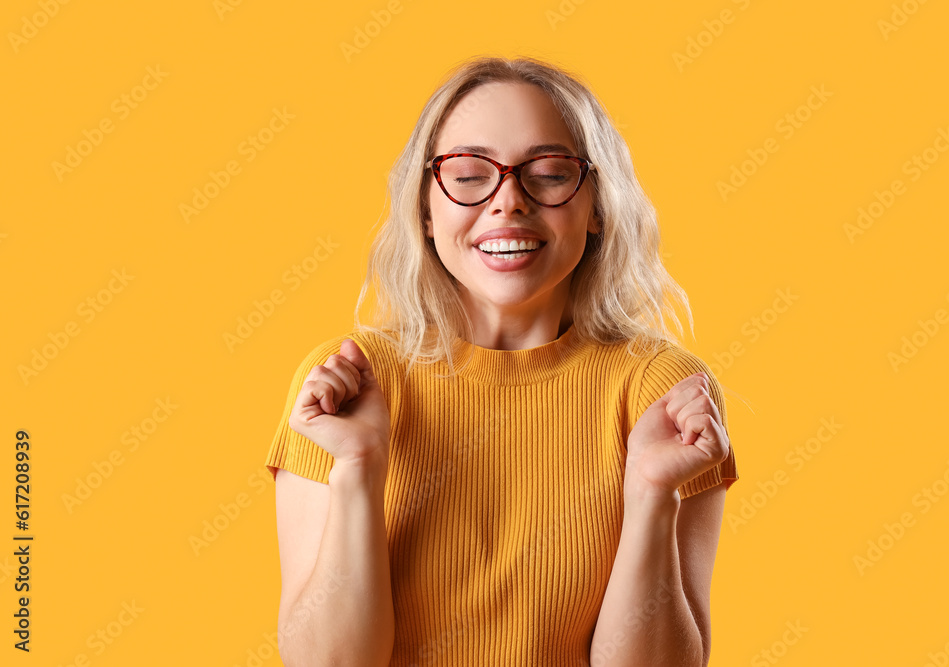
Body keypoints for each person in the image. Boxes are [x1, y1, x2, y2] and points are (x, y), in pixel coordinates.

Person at [264, 55, 739, 666]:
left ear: (596, 206)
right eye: (467, 175)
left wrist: (650, 492)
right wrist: (358, 467)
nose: (508, 202)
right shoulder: (344, 385)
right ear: (425, 213)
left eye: (547, 172)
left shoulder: (661, 393)